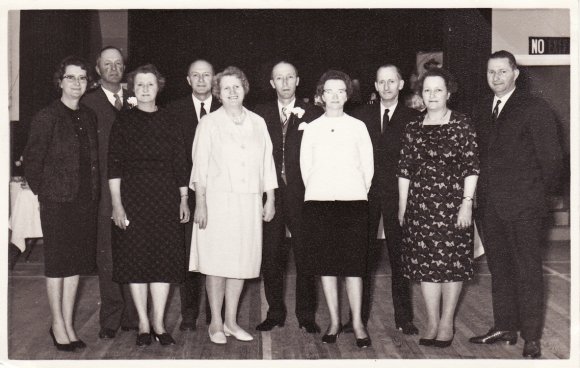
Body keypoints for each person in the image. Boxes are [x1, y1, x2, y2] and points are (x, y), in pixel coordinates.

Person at [469, 50, 562, 359]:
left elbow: (552, 161)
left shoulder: (535, 107)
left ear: (515, 73)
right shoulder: (482, 109)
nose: (496, 77)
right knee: (500, 270)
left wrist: (536, 198)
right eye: (491, 72)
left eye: (502, 71)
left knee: (528, 272)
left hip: (525, 208)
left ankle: (531, 337)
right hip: (490, 207)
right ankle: (505, 326)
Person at [190, 66, 277, 344]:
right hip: (217, 202)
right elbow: (199, 167)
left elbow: (267, 163)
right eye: (226, 88)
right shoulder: (209, 123)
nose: (231, 92)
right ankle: (215, 322)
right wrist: (200, 204)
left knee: (240, 263)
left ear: (244, 88)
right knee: (217, 263)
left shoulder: (258, 122)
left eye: (236, 87)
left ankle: (231, 322)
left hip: (248, 202)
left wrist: (270, 197)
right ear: (218, 92)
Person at [108, 64, 190, 347]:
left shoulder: (170, 120)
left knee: (163, 262)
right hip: (133, 199)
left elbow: (180, 163)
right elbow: (114, 166)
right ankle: (143, 322)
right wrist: (117, 205)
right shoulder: (123, 121)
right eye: (140, 84)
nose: (145, 89)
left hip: (165, 198)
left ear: (159, 87)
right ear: (133, 87)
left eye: (150, 84)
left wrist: (183, 199)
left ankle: (159, 322)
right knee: (136, 260)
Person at [397, 68, 479, 348]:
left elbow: (471, 167)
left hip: (453, 206)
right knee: (425, 266)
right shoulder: (412, 127)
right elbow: (405, 170)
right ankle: (432, 321)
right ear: (421, 94)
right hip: (420, 207)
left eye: (438, 90)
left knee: (451, 265)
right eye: (427, 90)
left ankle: (446, 322)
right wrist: (403, 206)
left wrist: (467, 204)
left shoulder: (461, 124)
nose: (432, 95)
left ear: (448, 93)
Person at [24, 56, 99, 351]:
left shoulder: (88, 116)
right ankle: (57, 325)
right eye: (71, 78)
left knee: (75, 264)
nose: (77, 83)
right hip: (57, 203)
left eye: (82, 78)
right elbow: (32, 161)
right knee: (57, 265)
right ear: (60, 81)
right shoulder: (47, 116)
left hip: (84, 201)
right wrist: (47, 193)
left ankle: (68, 323)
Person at [300, 70, 374, 348]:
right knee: (327, 267)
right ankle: (333, 320)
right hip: (319, 205)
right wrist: (323, 191)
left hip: (353, 204)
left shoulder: (358, 127)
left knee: (354, 268)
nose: (334, 96)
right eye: (329, 91)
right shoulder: (312, 128)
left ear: (347, 94)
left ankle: (357, 324)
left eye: (340, 91)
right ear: (321, 95)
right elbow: (307, 169)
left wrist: (350, 191)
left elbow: (367, 169)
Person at [253, 61, 323, 333]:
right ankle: (275, 312)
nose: (284, 83)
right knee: (271, 254)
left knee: (305, 254)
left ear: (297, 80)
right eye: (278, 78)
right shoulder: (259, 114)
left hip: (303, 194)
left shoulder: (315, 113)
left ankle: (306, 315)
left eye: (289, 77)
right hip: (270, 194)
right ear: (271, 83)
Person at [351, 64, 420, 335]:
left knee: (399, 259)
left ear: (401, 84)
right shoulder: (360, 116)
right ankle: (356, 318)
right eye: (382, 82)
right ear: (376, 86)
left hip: (399, 197)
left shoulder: (414, 117)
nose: (387, 86)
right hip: (365, 196)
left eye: (392, 81)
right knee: (361, 258)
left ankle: (404, 318)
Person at [82, 45, 138, 339]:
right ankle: (111, 317)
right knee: (108, 256)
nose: (114, 68)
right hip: (104, 193)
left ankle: (133, 315)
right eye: (108, 64)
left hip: (137, 190)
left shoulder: (137, 97)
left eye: (118, 63)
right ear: (98, 68)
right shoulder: (88, 102)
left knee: (134, 252)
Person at [166, 59, 221, 331]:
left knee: (217, 256)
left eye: (206, 75)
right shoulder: (173, 111)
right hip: (185, 194)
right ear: (188, 80)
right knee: (188, 255)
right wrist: (182, 196)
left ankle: (216, 315)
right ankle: (189, 314)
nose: (201, 80)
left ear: (215, 79)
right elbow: (174, 158)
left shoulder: (227, 108)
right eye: (195, 75)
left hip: (221, 195)